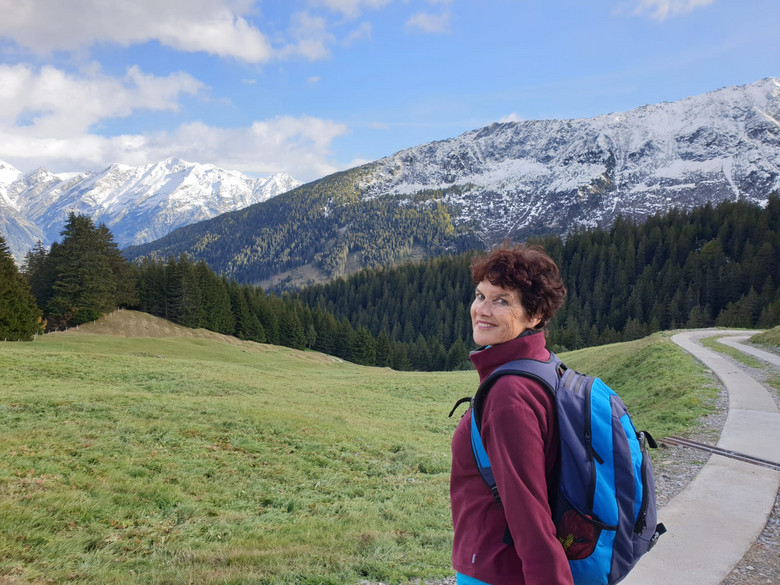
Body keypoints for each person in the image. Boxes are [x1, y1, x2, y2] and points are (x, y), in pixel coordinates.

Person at [450, 242, 572, 585]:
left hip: (498, 571)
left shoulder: (509, 395)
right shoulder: (545, 365)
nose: (481, 310)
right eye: (479, 295)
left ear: (535, 316)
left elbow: (529, 517)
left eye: (501, 300)